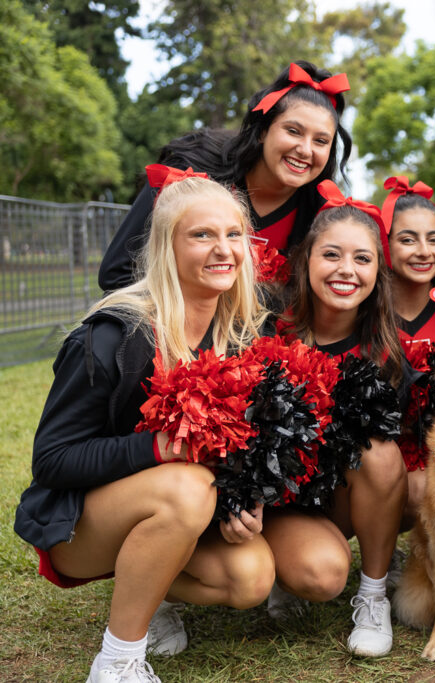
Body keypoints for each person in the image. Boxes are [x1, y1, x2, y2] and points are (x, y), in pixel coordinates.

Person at [14, 173, 276, 683]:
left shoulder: (239, 337)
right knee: (185, 485)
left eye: (234, 233)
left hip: (176, 511)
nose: (223, 249)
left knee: (252, 578)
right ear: (167, 245)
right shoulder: (114, 334)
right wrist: (158, 447)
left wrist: (246, 500)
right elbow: (52, 459)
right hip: (80, 526)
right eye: (201, 235)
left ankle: (151, 591)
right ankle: (116, 663)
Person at [274, 181, 408, 657]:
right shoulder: (266, 327)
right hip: (274, 502)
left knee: (382, 456)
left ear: (378, 271)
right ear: (306, 260)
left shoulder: (387, 352)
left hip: (335, 498)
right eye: (331, 255)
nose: (346, 271)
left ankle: (373, 597)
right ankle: (275, 567)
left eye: (363, 259)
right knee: (319, 574)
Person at [99, 61, 353, 292]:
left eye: (321, 140)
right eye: (293, 131)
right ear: (263, 131)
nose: (305, 150)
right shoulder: (190, 173)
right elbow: (118, 274)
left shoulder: (322, 213)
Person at [381, 175, 435, 518]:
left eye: (434, 240)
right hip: (375, 461)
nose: (424, 251)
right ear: (384, 245)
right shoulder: (366, 315)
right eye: (407, 239)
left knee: (423, 488)